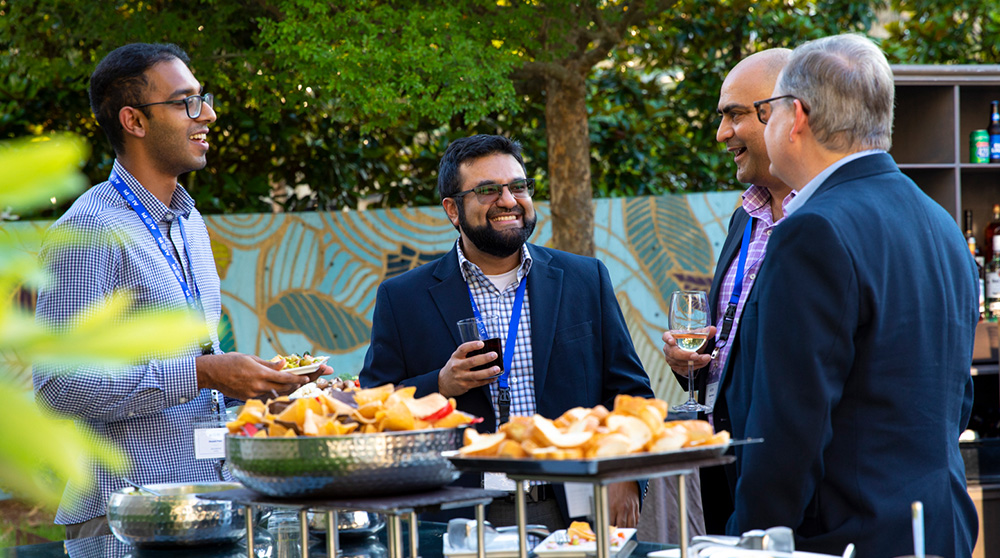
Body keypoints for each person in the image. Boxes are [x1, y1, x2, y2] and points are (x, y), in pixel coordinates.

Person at [33, 43, 328, 539]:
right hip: (127, 521)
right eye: (186, 102)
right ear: (135, 121)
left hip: (210, 508)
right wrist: (203, 372)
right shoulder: (87, 231)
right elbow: (59, 386)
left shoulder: (188, 221)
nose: (207, 114)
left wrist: (257, 384)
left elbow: (190, 369)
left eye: (203, 99)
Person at [722, 34, 978, 556]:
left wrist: (748, 542)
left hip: (845, 537)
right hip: (938, 526)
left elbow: (788, 431)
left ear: (796, 117)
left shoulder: (811, 231)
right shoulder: (940, 222)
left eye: (766, 112)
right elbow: (957, 401)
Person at [360, 134, 653, 530]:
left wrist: (627, 474)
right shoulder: (403, 297)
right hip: (459, 519)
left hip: (572, 511)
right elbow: (372, 412)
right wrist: (441, 384)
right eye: (486, 190)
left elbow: (630, 393)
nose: (509, 200)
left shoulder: (585, 279)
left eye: (517, 187)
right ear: (452, 209)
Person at [660, 48, 793, 536]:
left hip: (788, 482)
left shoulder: (826, 221)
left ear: (786, 111)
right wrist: (693, 366)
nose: (721, 134)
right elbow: (737, 340)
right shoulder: (745, 216)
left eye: (734, 115)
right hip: (726, 466)